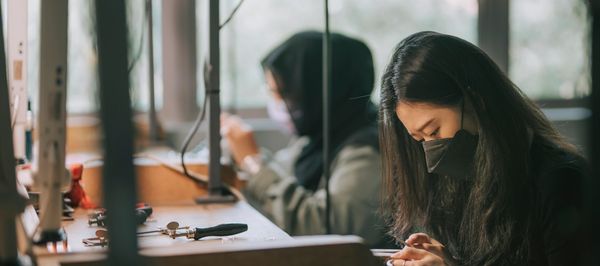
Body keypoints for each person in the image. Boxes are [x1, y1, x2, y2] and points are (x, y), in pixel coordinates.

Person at [379, 31, 586, 265]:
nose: (430, 153)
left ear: (477, 101)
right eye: (420, 139)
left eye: (434, 131)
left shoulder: (561, 181)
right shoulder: (458, 188)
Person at [221, 31, 392, 247]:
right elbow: (281, 172)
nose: (276, 102)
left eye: (283, 93)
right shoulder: (319, 136)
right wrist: (239, 152)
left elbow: (328, 230)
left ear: (318, 92)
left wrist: (252, 162)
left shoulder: (367, 152)